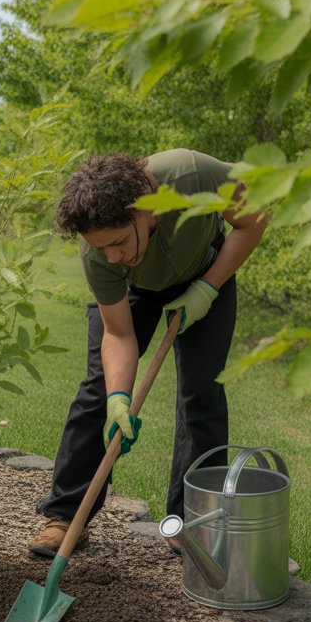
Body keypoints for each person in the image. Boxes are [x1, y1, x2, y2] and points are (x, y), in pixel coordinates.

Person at [30, 148, 268, 558]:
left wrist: (208, 288)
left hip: (205, 272)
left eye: (119, 242)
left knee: (202, 393)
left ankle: (191, 520)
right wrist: (119, 398)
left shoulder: (193, 175)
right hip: (136, 291)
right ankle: (67, 516)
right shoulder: (101, 256)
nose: (113, 256)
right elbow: (119, 334)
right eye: (102, 248)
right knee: (99, 391)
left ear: (145, 207)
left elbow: (253, 221)